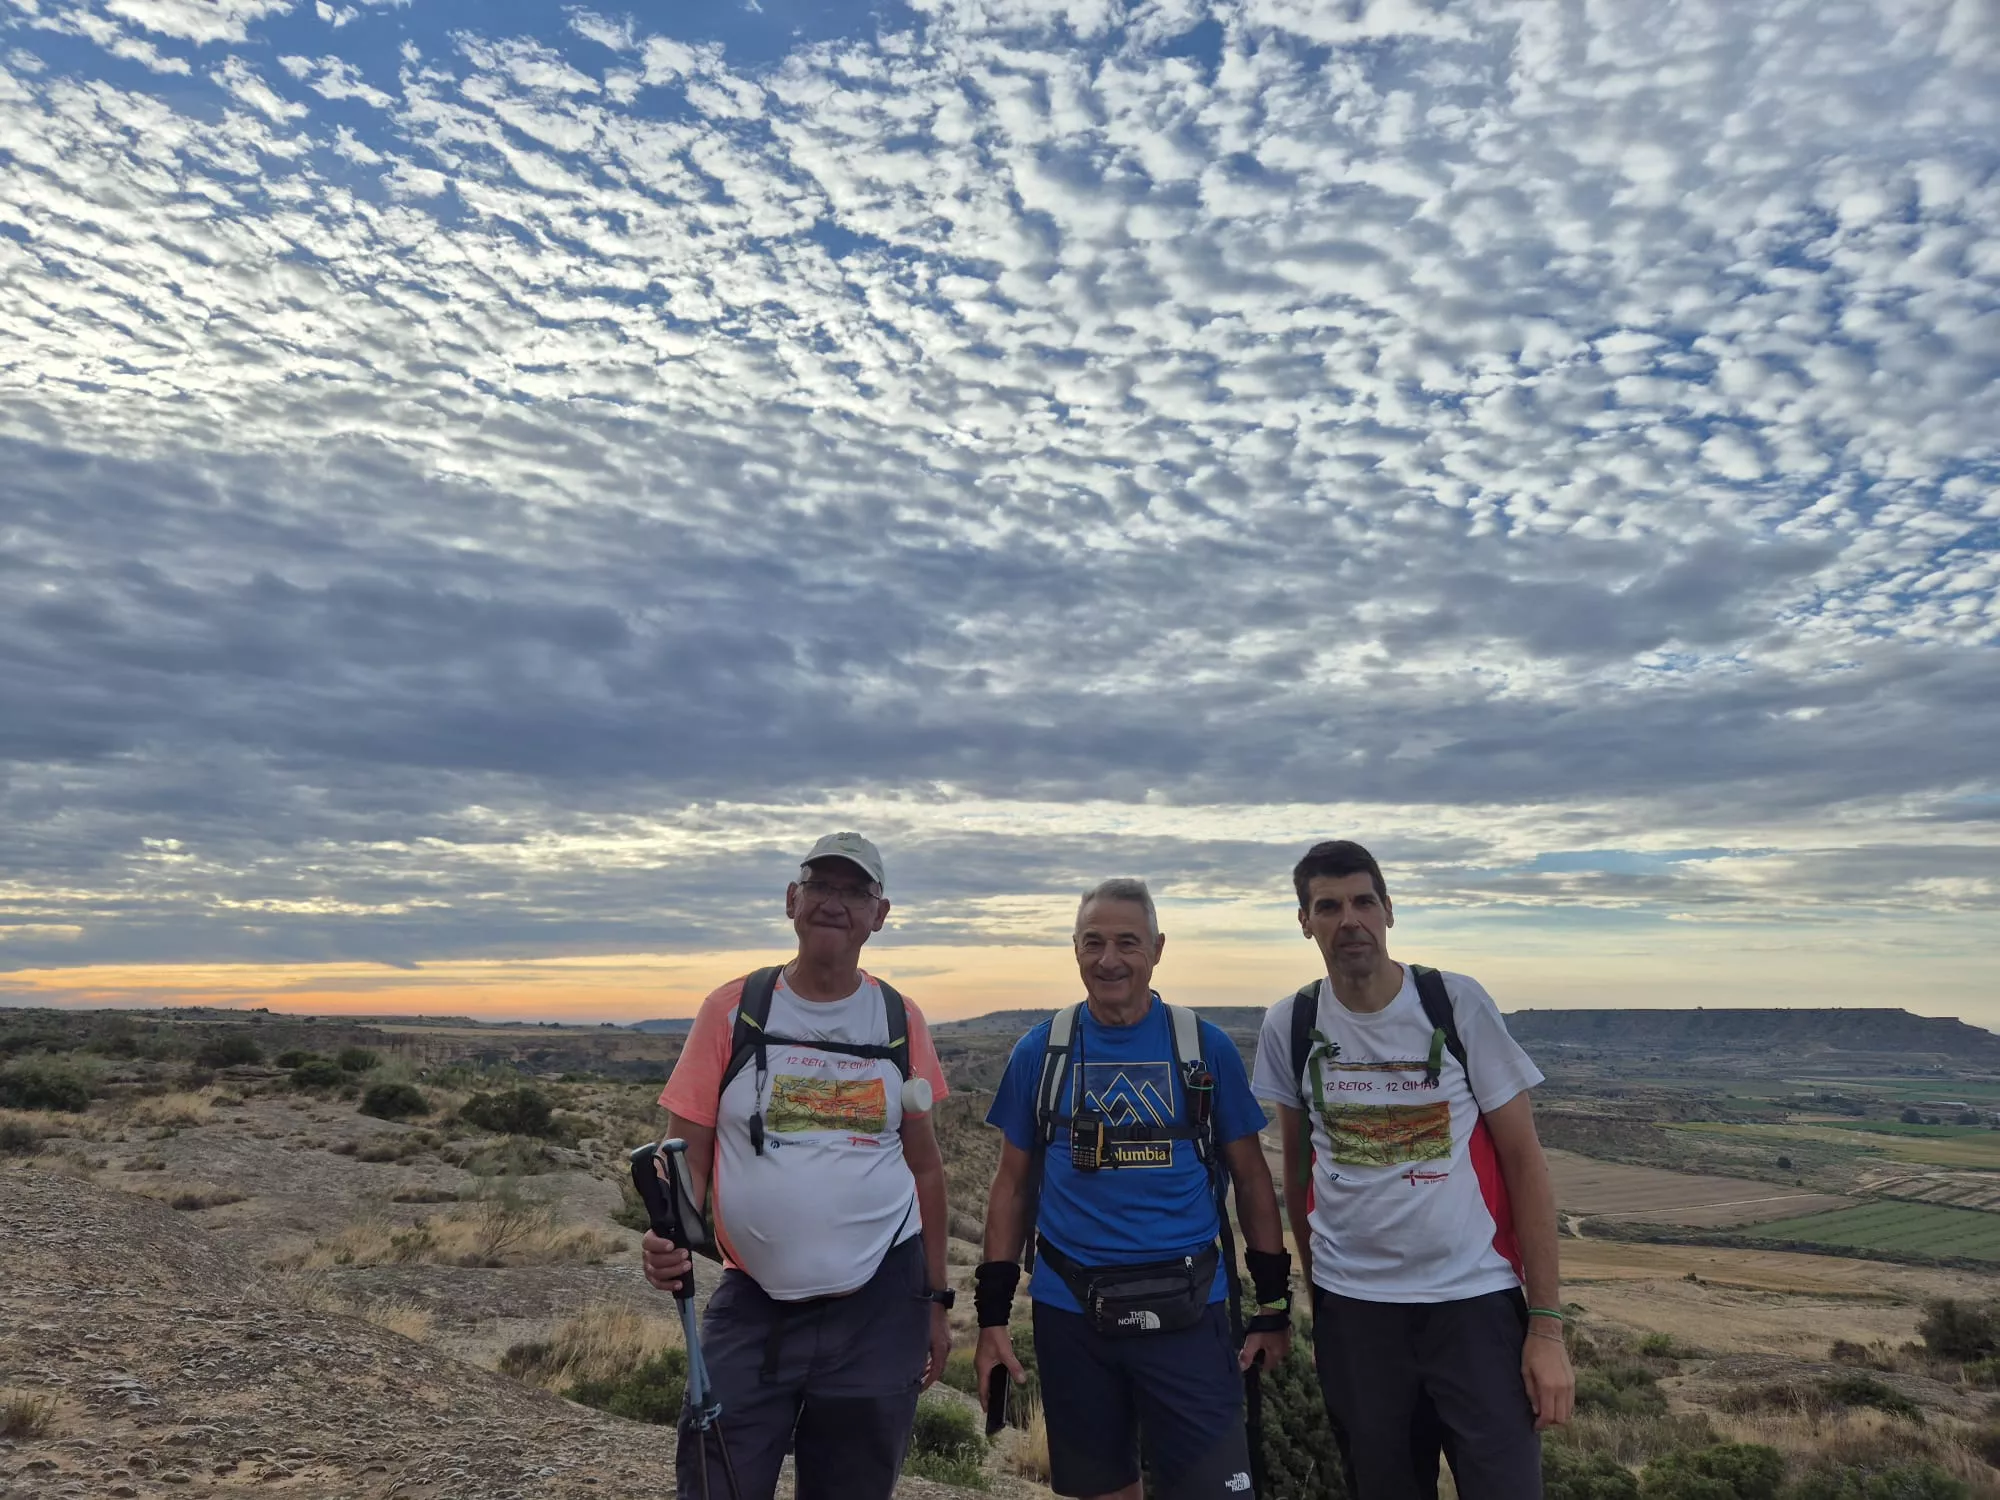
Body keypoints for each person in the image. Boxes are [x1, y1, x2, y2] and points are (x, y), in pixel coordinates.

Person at [1250, 840, 1574, 1500]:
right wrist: (1324, 1310)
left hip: (1474, 1307)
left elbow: (1525, 1162)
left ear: (1390, 912)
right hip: (1358, 1319)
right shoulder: (1291, 1022)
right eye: (1329, 906)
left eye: (1364, 902)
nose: (1350, 921)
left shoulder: (1454, 1003)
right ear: (1305, 922)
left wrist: (1545, 1329)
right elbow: (1300, 1178)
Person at [640, 832, 954, 1500]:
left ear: (881, 913)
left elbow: (927, 1169)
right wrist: (668, 1235)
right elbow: (683, 1155)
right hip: (754, 1304)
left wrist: (934, 1303)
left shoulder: (900, 1019)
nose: (833, 903)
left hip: (879, 1308)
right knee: (714, 1481)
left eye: (854, 891)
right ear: (792, 900)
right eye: (820, 886)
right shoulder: (733, 1010)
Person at [975, 878, 1293, 1500]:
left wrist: (1273, 1305)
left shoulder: (1204, 1048)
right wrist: (991, 1317)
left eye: (1127, 942)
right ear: (1074, 949)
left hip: (1190, 1309)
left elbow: (1253, 1178)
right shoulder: (1040, 1053)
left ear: (1158, 948)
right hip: (1071, 1313)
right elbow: (1011, 1186)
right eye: (1093, 942)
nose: (1110, 959)